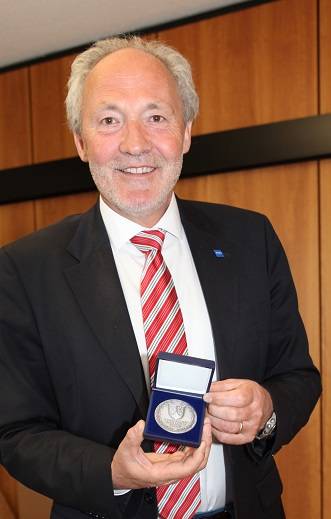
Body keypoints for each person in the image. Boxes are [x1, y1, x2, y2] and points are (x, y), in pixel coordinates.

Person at [0, 36, 321, 519]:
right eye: (109, 120)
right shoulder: (23, 269)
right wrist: (112, 470)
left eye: (156, 117)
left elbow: (297, 375)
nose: (134, 144)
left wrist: (266, 410)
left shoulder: (250, 238)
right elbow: (16, 432)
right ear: (81, 142)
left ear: (186, 132)